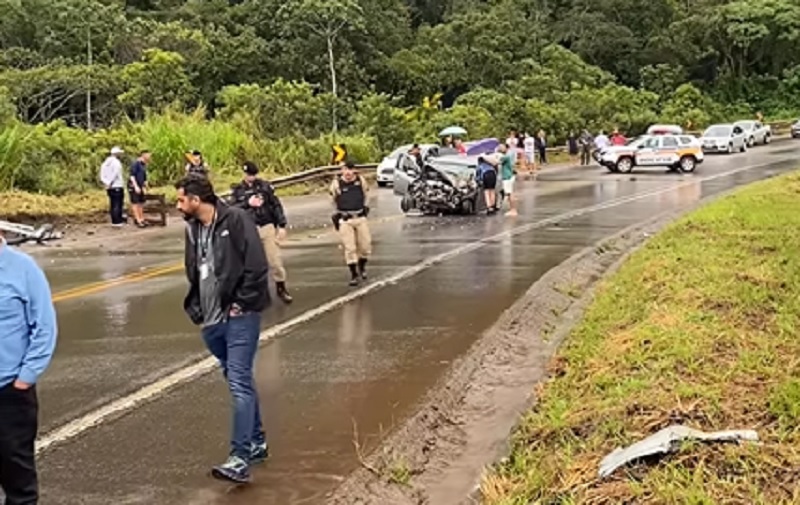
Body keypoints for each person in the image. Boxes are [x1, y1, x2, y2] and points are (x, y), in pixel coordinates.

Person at [175, 174, 270, 484]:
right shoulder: (192, 230)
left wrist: (240, 303)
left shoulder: (237, 219)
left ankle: (239, 457)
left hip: (240, 316)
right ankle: (257, 441)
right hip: (212, 322)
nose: (178, 206)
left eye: (180, 200)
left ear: (195, 199)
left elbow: (257, 266)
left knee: (239, 381)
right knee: (235, 376)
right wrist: (199, 311)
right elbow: (196, 272)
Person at [0, 229, 58, 505]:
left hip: (9, 393)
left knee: (18, 483)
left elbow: (44, 328)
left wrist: (26, 377)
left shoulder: (23, 269)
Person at [231, 161, 293, 304]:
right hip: (248, 229)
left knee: (275, 260)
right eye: (248, 175)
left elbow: (276, 205)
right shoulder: (238, 190)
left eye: (252, 175)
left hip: (266, 226)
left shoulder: (264, 187)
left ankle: (281, 288)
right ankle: (255, 293)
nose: (250, 178)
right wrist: (247, 203)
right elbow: (232, 209)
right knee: (251, 264)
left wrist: (282, 225)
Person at [330, 161, 372, 286]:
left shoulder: (360, 181)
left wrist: (365, 207)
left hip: (359, 217)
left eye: (350, 169)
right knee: (350, 248)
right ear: (342, 170)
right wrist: (337, 213)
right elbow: (332, 200)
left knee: (365, 246)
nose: (348, 173)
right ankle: (354, 274)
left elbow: (367, 194)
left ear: (354, 170)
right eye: (345, 169)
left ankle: (362, 266)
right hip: (346, 219)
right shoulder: (337, 184)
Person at [100, 146, 126, 227]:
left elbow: (102, 175)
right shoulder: (116, 163)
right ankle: (117, 221)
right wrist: (110, 182)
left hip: (110, 187)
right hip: (117, 185)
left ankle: (114, 220)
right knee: (118, 203)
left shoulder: (104, 163)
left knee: (112, 203)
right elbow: (115, 174)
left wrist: (105, 182)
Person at [128, 150, 151, 228]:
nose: (149, 157)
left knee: (141, 202)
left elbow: (144, 177)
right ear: (143, 155)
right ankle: (137, 220)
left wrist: (145, 185)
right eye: (148, 155)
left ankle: (142, 218)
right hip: (134, 186)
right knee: (135, 203)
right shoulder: (136, 163)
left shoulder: (143, 164)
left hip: (141, 186)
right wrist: (136, 186)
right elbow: (132, 176)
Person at [498, 144, 518, 217]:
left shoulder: (505, 157)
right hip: (509, 175)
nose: (500, 148)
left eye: (502, 147)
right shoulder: (507, 156)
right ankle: (512, 209)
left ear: (506, 148)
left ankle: (513, 210)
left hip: (507, 176)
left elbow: (497, 162)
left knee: (509, 193)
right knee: (509, 193)